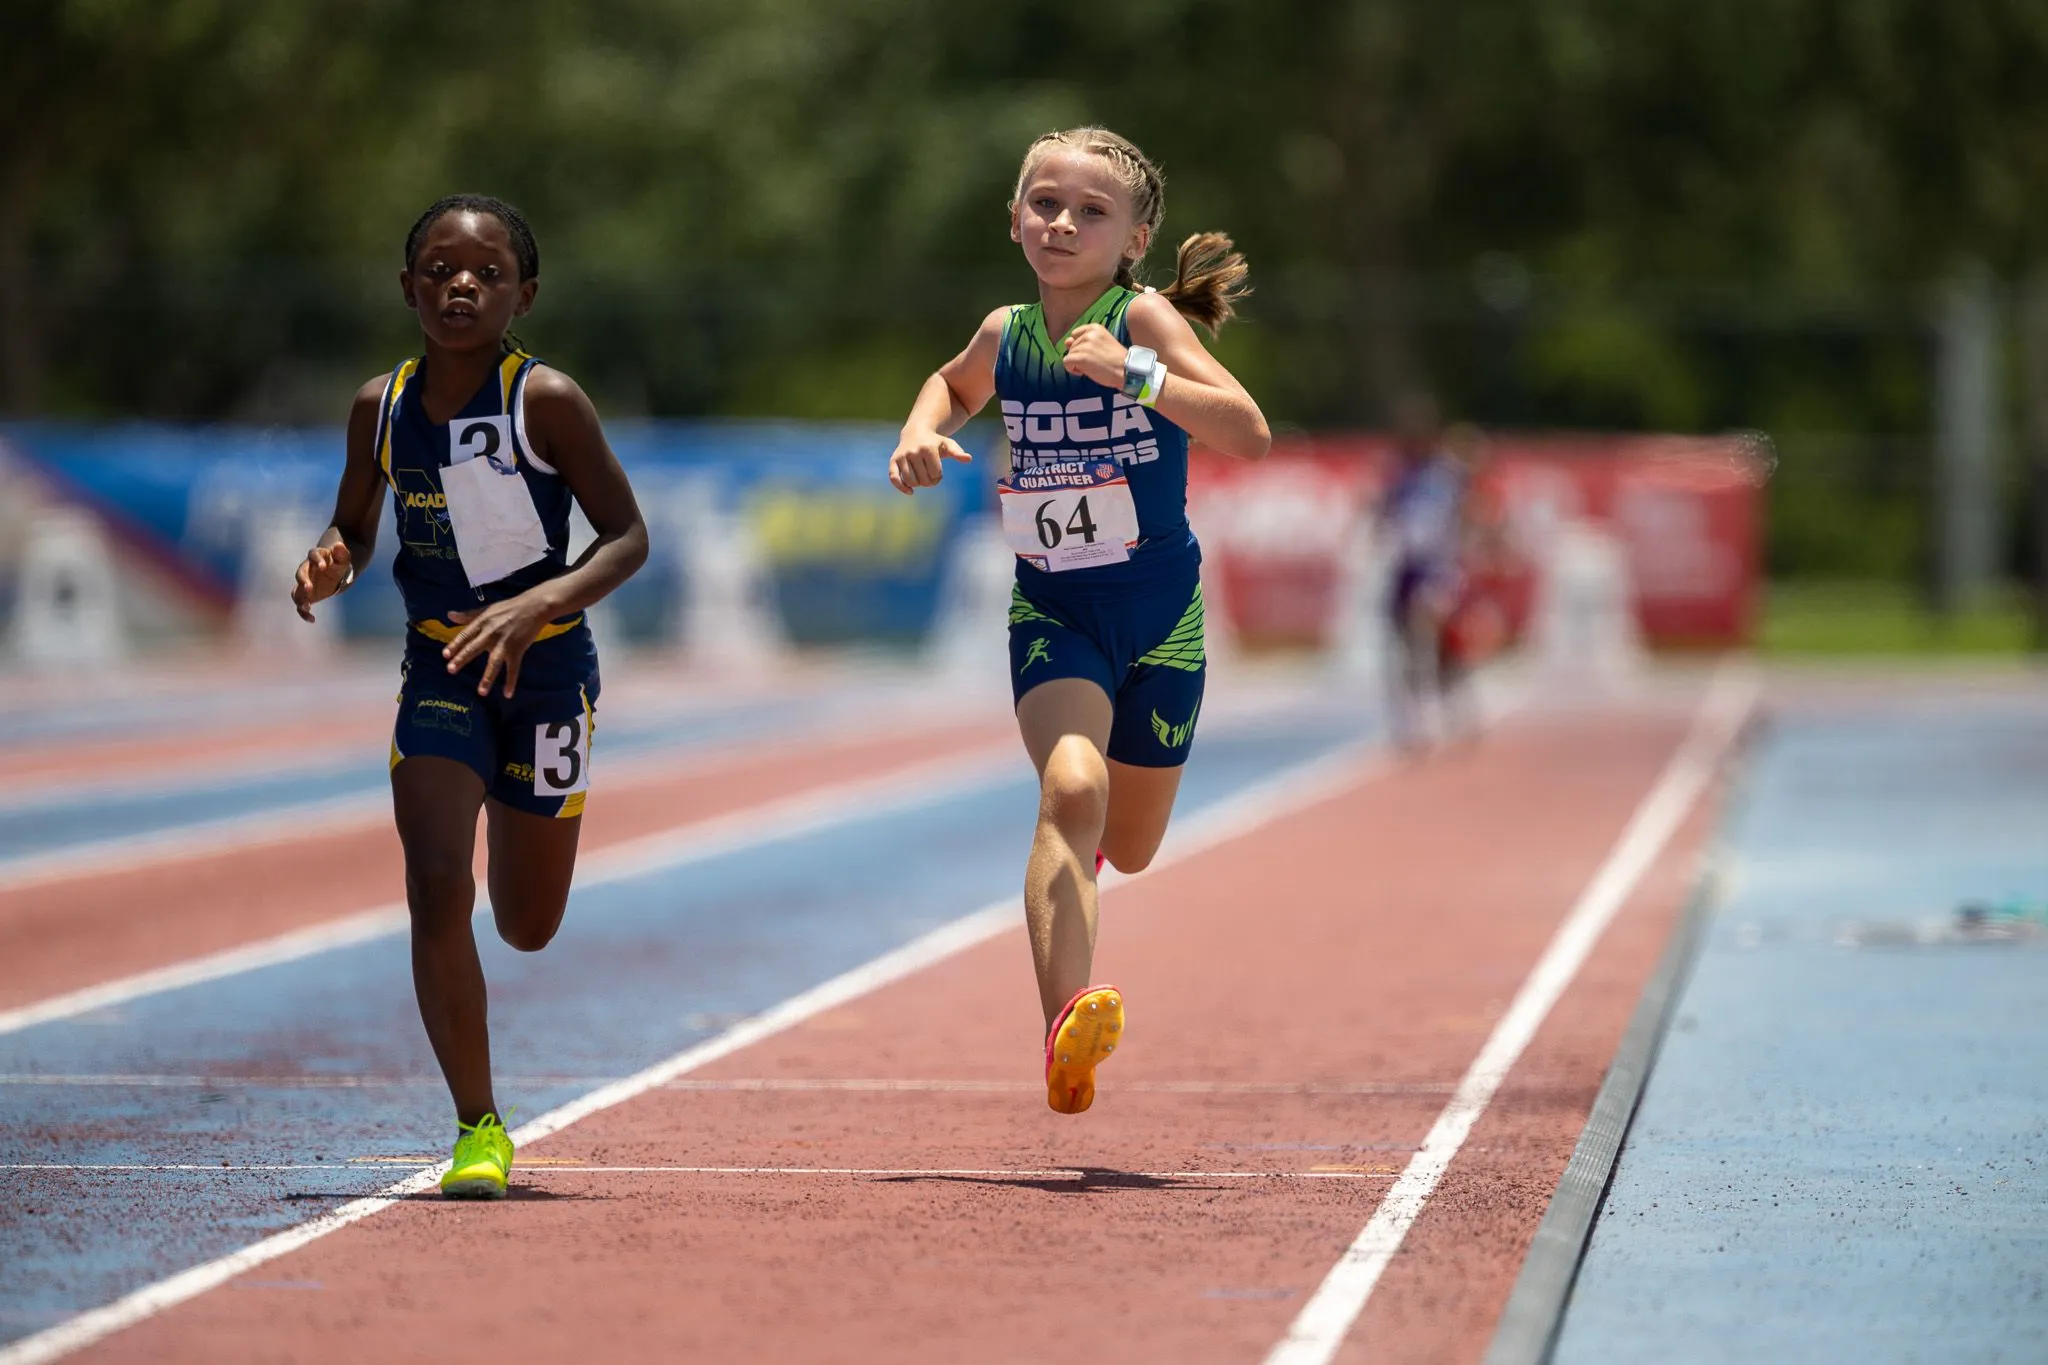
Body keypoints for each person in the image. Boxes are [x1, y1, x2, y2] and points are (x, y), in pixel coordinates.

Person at [888, 129, 1270, 1114]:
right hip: (1053, 609)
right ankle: (1065, 1028)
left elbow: (1247, 430)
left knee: (1129, 845)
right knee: (1068, 786)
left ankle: (1086, 873)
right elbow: (950, 384)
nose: (1060, 223)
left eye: (1088, 211)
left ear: (1133, 236)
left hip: (1161, 622)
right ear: (1012, 218)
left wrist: (1132, 374)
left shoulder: (1136, 318)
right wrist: (920, 431)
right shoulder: (1004, 330)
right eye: (1043, 203)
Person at [291, 195, 648, 1197]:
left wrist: (539, 604)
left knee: (526, 922)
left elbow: (627, 538)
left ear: (521, 293)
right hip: (441, 671)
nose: (461, 285)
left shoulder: (547, 402)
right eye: (440, 271)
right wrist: (332, 561)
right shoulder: (380, 407)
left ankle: (518, 795)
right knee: (437, 880)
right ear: (408, 288)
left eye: (486, 274)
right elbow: (353, 530)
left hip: (544, 674)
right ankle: (478, 1127)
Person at [1377, 392, 1468, 747]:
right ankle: (1414, 716)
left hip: (1438, 566)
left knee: (1432, 631)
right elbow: (1383, 512)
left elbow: (1470, 512)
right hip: (1407, 566)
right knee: (1404, 642)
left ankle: (1446, 705)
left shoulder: (1448, 473)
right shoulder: (1400, 474)